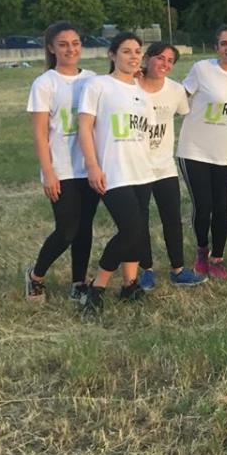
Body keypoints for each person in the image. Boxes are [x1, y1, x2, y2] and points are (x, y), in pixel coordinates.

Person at [77, 32, 156, 315]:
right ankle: (96, 288)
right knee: (131, 229)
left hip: (141, 171)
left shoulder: (142, 92)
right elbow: (85, 127)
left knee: (138, 232)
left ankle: (129, 284)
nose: (133, 56)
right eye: (126, 51)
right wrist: (92, 165)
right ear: (112, 55)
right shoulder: (99, 85)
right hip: (113, 172)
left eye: (137, 51)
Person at [25, 22, 100, 303]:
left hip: (89, 167)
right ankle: (36, 276)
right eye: (63, 44)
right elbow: (40, 133)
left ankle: (78, 282)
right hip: (62, 169)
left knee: (85, 228)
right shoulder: (45, 83)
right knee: (67, 230)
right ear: (51, 48)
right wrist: (48, 172)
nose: (71, 49)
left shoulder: (92, 79)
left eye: (76, 43)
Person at [177, 25, 227, 280]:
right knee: (203, 205)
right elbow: (179, 95)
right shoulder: (202, 69)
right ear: (216, 48)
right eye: (224, 43)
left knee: (221, 206)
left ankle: (217, 258)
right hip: (194, 150)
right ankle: (202, 251)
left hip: (225, 153)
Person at [137, 43, 206, 289]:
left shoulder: (176, 90)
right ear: (146, 59)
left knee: (172, 218)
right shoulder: (130, 87)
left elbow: (182, 113)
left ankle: (178, 269)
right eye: (160, 58)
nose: (165, 64)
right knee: (140, 220)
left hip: (164, 166)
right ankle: (146, 270)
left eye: (170, 60)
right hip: (136, 166)